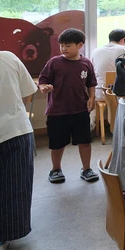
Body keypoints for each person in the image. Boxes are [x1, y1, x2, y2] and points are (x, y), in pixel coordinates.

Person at [37, 28, 98, 184]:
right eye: (62, 45)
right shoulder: (54, 62)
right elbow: (42, 80)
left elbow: (91, 83)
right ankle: (55, 169)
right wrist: (44, 87)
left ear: (80, 45)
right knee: (57, 143)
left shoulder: (86, 63)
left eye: (68, 45)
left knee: (85, 141)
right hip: (57, 111)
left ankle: (86, 169)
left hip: (80, 110)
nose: (64, 49)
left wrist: (92, 97)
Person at [0, 51, 38, 250]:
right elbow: (28, 92)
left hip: (13, 130)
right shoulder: (7, 58)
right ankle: (1, 236)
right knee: (13, 186)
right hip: (15, 130)